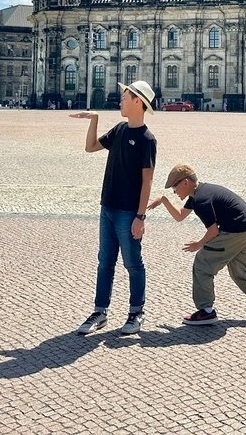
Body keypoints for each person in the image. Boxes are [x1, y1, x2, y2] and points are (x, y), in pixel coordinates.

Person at [70, 80, 158, 336]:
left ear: (137, 102)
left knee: (133, 263)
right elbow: (91, 147)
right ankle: (100, 311)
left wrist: (140, 216)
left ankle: (135, 312)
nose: (120, 101)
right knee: (105, 261)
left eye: (124, 97)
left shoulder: (147, 140)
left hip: (128, 212)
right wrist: (94, 119)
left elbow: (147, 181)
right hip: (107, 207)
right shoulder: (119, 129)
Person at [148, 164, 246, 324]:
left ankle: (206, 311)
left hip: (235, 230)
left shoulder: (201, 200)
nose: (174, 191)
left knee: (202, 264)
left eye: (174, 187)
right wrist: (164, 201)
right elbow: (180, 216)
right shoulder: (197, 194)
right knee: (241, 270)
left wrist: (198, 244)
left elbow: (213, 232)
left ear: (185, 182)